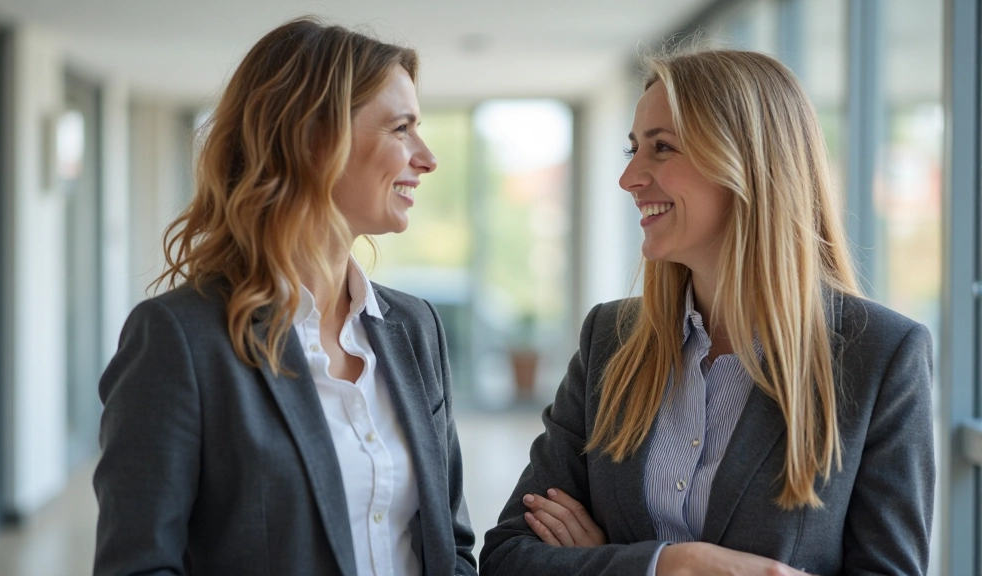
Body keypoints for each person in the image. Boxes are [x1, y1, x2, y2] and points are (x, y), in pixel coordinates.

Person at [480, 49, 934, 576]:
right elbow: (508, 556)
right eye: (632, 148)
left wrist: (594, 560)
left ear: (748, 163)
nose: (629, 177)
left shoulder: (881, 356)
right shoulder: (609, 339)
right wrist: (668, 565)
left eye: (662, 147)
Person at [93, 17, 477, 576]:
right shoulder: (179, 340)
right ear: (314, 139)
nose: (427, 158)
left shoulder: (415, 328)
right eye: (401, 128)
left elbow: (452, 548)